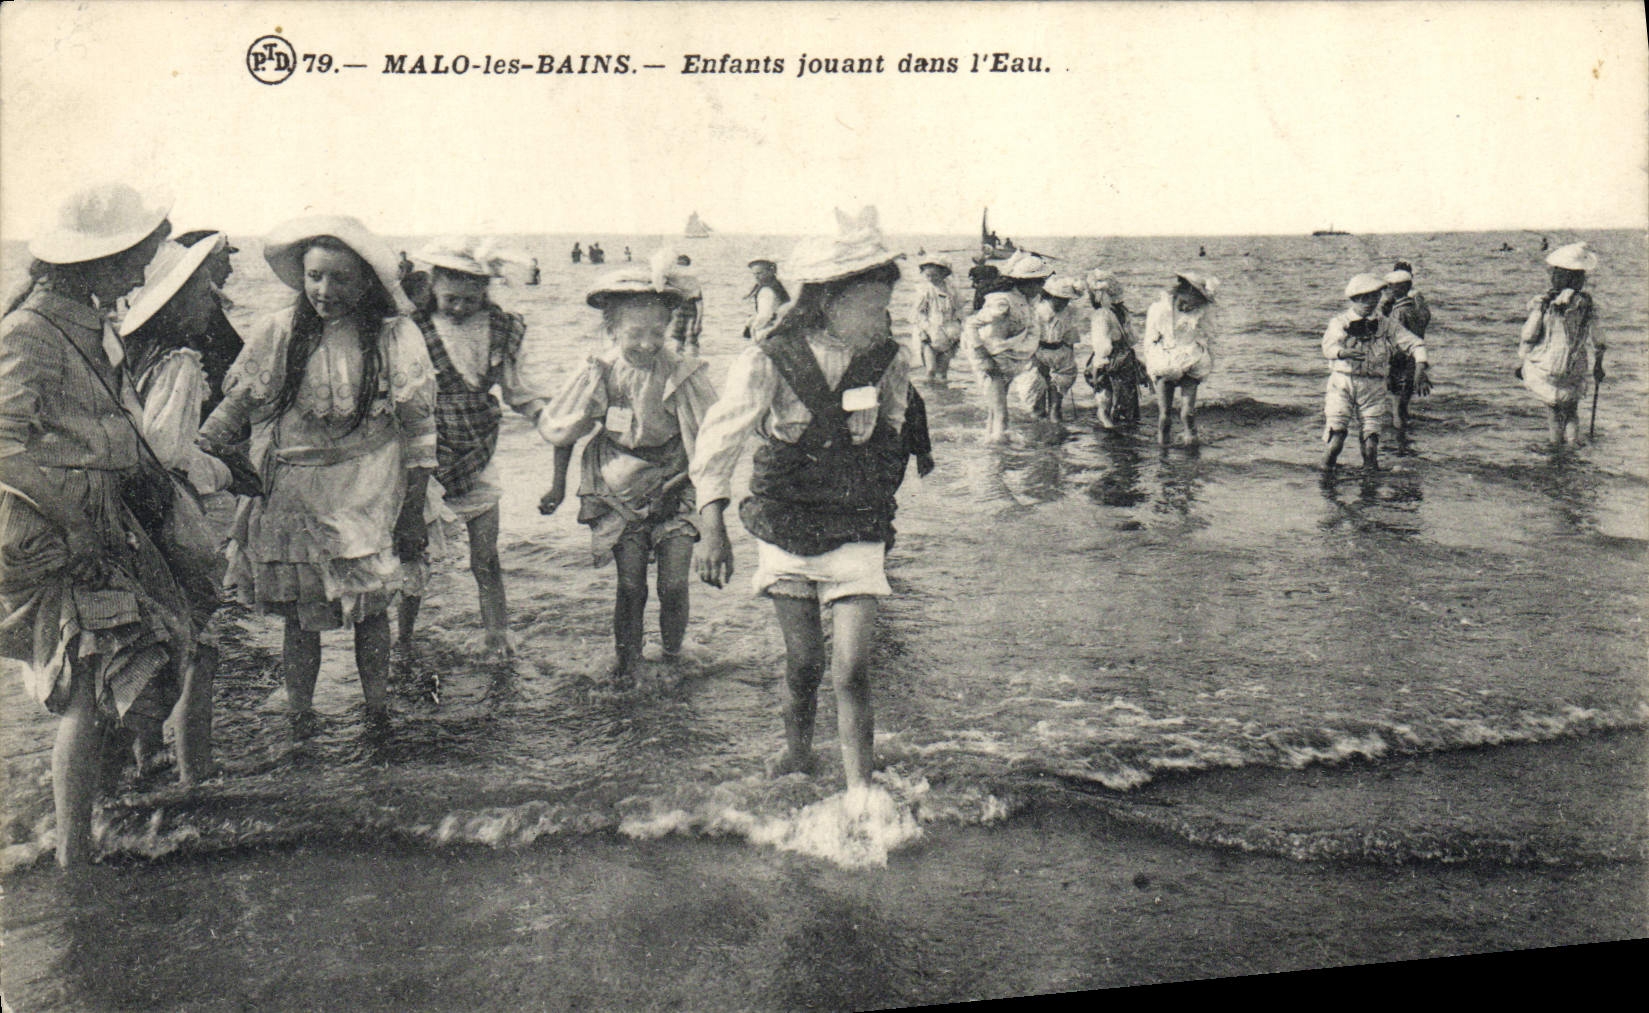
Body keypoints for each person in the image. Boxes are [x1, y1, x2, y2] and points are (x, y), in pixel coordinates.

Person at [0, 182, 195, 866]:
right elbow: (2, 445)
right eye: (133, 257)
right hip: (59, 525)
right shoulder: (31, 330)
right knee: (89, 680)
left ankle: (93, 820)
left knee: (138, 659)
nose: (142, 271)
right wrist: (73, 525)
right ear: (96, 260)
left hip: (98, 515)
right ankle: (75, 857)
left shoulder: (83, 320)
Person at [690, 207, 918, 786]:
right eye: (872, 307)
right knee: (805, 664)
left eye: (886, 306)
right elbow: (719, 440)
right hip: (785, 521)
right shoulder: (769, 357)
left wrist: (876, 483)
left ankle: (860, 790)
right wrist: (712, 528)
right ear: (830, 302)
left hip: (857, 524)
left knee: (852, 669)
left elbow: (894, 428)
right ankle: (797, 757)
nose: (883, 319)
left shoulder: (890, 359)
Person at [198, 216, 436, 738]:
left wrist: (413, 510)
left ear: (367, 281)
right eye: (315, 276)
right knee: (301, 616)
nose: (325, 290)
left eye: (341, 278)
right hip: (295, 492)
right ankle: (300, 715)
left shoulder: (394, 335)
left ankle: (378, 712)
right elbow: (239, 403)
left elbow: (420, 431)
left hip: (368, 488)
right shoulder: (281, 329)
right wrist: (200, 449)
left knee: (371, 609)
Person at [117, 233, 260, 784]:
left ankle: (146, 759)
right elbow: (166, 453)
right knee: (200, 647)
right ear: (174, 305)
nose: (213, 303)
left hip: (137, 518)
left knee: (153, 645)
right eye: (202, 293)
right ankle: (196, 773)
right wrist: (224, 469)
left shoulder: (135, 355)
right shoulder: (180, 361)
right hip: (171, 516)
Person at [538, 252, 718, 683]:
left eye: (658, 332)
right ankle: (628, 665)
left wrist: (703, 498)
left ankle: (673, 658)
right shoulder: (601, 371)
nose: (648, 344)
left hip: (677, 481)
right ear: (612, 329)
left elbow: (712, 438)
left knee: (674, 584)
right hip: (618, 485)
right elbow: (567, 429)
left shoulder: (681, 372)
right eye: (635, 334)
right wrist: (557, 486)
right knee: (631, 585)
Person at [398, 237, 552, 663]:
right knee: (414, 556)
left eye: (469, 299)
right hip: (424, 456)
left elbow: (520, 390)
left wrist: (546, 419)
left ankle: (498, 637)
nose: (459, 308)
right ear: (433, 287)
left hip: (478, 448)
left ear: (485, 292)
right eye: (450, 298)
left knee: (486, 558)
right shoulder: (413, 328)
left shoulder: (501, 327)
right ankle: (402, 639)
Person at [1321, 273, 1431, 471]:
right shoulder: (1340, 322)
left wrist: (1421, 368)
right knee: (1336, 440)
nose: (1371, 302)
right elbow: (1328, 347)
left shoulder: (1385, 324)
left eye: (1375, 297)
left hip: (1373, 385)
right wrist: (1343, 352)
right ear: (1354, 299)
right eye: (1366, 298)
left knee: (1371, 445)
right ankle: (1325, 478)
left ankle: (1370, 484)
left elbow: (1415, 343)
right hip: (1342, 382)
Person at [1519, 242, 1604, 446]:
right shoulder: (1587, 304)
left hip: (1550, 365)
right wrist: (1598, 365)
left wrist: (1523, 357)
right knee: (1572, 411)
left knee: (1554, 413)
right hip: (1575, 367)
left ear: (1560, 276)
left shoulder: (1545, 302)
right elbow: (1599, 340)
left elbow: (1529, 335)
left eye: (1554, 273)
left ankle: (1556, 451)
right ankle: (1573, 447)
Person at [963, 251, 1050, 442]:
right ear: (1027, 282)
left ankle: (991, 443)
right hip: (991, 358)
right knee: (1001, 412)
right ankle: (999, 449)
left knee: (995, 410)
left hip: (1009, 358)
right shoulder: (1002, 301)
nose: (1041, 288)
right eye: (1039, 283)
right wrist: (983, 356)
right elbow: (971, 324)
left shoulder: (1025, 300)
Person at [1140, 271, 1219, 447]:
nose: (1189, 307)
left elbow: (1211, 336)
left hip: (1191, 361)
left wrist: (1209, 360)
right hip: (1165, 361)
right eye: (1188, 301)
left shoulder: (1201, 311)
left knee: (1187, 414)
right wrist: (1151, 366)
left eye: (1195, 304)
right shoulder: (1159, 309)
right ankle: (1163, 452)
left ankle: (1191, 450)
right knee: (1164, 416)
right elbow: (1149, 340)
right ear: (1183, 291)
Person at [172, 230, 245, 415]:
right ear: (201, 263)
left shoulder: (203, 308)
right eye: (224, 261)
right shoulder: (197, 316)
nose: (230, 270)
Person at [1084, 269, 1148, 430]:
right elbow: (1133, 339)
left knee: (1105, 401)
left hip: (1110, 360)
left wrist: (1097, 365)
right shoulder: (1123, 312)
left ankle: (1109, 429)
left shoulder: (1101, 314)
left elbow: (1102, 346)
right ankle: (1125, 428)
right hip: (1125, 358)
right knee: (1125, 398)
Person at [1379, 260, 1432, 435]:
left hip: (1399, 363)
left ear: (1398, 289)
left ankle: (1401, 443)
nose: (1386, 290)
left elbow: (1395, 344)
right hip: (1413, 362)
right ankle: (1406, 442)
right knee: (1403, 406)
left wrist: (1388, 368)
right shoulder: (1416, 308)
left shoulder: (1398, 312)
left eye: (1390, 287)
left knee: (1397, 409)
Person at [1021, 273, 1083, 421]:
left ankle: (1055, 424)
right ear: (1050, 296)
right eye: (1060, 299)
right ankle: (1040, 426)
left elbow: (1070, 337)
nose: (1063, 303)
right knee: (1037, 400)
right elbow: (1027, 338)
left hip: (1060, 353)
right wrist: (1035, 360)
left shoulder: (1069, 312)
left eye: (1066, 300)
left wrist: (1069, 358)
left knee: (1056, 406)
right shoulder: (1037, 311)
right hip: (1038, 353)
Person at [908, 260, 962, 385]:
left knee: (942, 372)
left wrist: (958, 327)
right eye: (928, 275)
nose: (931, 279)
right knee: (931, 369)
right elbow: (919, 313)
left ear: (943, 274)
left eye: (934, 275)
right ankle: (929, 391)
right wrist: (923, 330)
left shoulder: (951, 290)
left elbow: (959, 310)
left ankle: (941, 393)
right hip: (930, 331)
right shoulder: (925, 291)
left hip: (949, 332)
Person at [742, 258, 790, 343]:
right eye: (754, 274)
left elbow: (764, 316)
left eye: (759, 273)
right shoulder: (777, 286)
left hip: (771, 333)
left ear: (770, 272)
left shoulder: (766, 291)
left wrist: (753, 328)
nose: (756, 277)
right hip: (782, 329)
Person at [666, 254, 705, 355]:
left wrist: (698, 322)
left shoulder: (693, 283)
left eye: (683, 266)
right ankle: (678, 361)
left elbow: (699, 304)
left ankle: (692, 361)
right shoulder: (673, 283)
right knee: (676, 343)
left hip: (691, 314)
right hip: (677, 314)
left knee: (691, 343)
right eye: (679, 266)